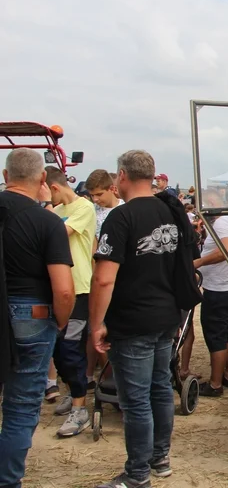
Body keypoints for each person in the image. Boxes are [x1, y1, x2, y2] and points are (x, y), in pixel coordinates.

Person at [90, 150, 182, 487]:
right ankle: (160, 458)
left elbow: (103, 278)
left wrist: (97, 323)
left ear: (123, 176)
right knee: (160, 389)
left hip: (133, 320)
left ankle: (137, 474)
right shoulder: (170, 211)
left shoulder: (120, 217)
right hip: (166, 315)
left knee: (137, 399)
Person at [0, 149, 75, 487]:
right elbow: (63, 290)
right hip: (31, 314)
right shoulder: (47, 222)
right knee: (19, 407)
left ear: (5, 176)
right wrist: (58, 322)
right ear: (43, 179)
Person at [44, 165, 97, 437]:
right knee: (56, 349)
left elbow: (56, 234)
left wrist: (42, 209)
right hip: (55, 289)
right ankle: (72, 390)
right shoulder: (56, 212)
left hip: (78, 290)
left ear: (53, 187)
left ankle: (80, 408)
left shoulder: (83, 208)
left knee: (71, 347)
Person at [194, 189, 228, 397]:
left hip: (219, 288)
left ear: (211, 202)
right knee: (227, 333)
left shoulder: (222, 222)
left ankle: (215, 384)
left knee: (215, 335)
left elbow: (227, 250)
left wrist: (198, 262)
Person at [84, 169, 124, 388]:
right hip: (94, 278)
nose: (95, 199)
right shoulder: (90, 211)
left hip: (116, 281)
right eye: (92, 195)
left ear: (112, 188)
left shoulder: (124, 210)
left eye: (99, 194)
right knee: (96, 330)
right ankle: (106, 378)